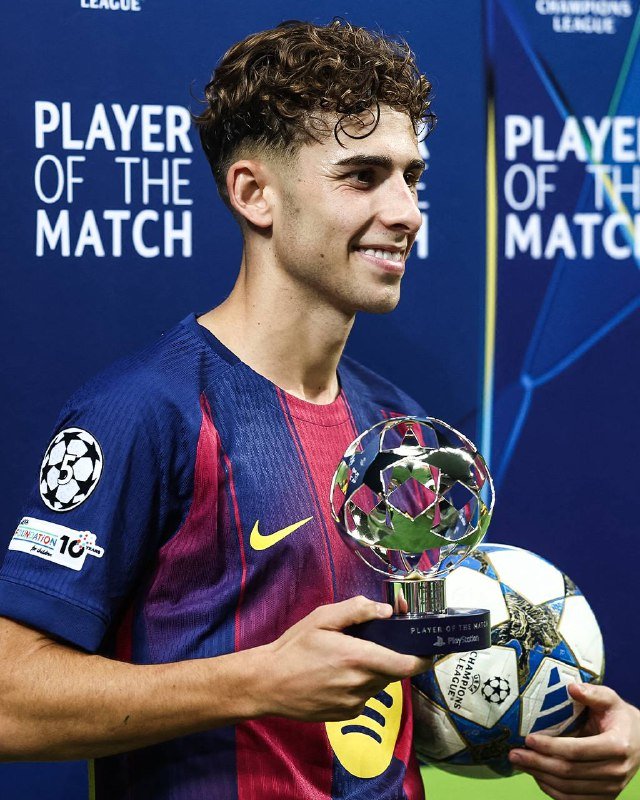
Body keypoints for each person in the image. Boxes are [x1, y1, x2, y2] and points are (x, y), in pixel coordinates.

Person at [0, 17, 637, 800]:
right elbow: (9, 701)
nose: (407, 212)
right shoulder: (145, 411)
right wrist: (260, 680)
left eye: (412, 176)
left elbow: (415, 681)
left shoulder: (399, 432)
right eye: (362, 176)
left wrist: (570, 724)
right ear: (254, 193)